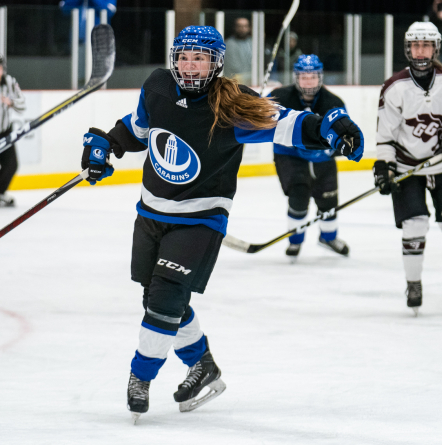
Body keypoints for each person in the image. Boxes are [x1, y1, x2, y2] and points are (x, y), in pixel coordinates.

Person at [79, 26, 364, 422]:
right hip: (150, 215)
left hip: (200, 220)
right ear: (173, 58)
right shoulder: (157, 86)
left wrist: (328, 128)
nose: (190, 65)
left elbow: (289, 124)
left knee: (163, 301)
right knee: (158, 301)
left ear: (216, 64)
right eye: (184, 56)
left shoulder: (234, 106)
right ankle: (204, 367)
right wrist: (106, 145)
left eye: (200, 58)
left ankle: (140, 377)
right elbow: (137, 129)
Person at [374, 21, 442, 314]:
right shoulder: (394, 87)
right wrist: (383, 167)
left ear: (435, 48)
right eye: (416, 45)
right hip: (409, 169)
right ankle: (413, 283)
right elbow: (386, 137)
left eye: (426, 45)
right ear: (408, 48)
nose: (421, 50)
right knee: (414, 226)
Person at [270, 54, 350, 259]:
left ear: (320, 77)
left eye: (312, 77)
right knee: (298, 197)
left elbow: (345, 136)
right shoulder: (279, 97)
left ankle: (328, 237)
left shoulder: (333, 102)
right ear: (296, 77)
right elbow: (262, 122)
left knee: (329, 201)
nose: (308, 81)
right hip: (289, 155)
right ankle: (295, 241)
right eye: (304, 77)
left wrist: (330, 149)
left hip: (322, 158)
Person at [59, 0, 117, 82]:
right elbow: (64, 9)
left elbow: (108, 12)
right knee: (79, 76)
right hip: (79, 41)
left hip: (99, 43)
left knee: (98, 77)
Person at [0, 55, 26, 207]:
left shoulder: (10, 82)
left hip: (5, 132)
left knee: (11, 165)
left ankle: (0, 192)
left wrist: (11, 102)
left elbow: (22, 105)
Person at [223, 17, 252, 85]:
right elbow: (235, 69)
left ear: (249, 28)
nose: (242, 29)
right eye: (240, 26)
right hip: (233, 84)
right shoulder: (228, 44)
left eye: (245, 26)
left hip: (251, 82)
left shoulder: (253, 43)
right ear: (235, 27)